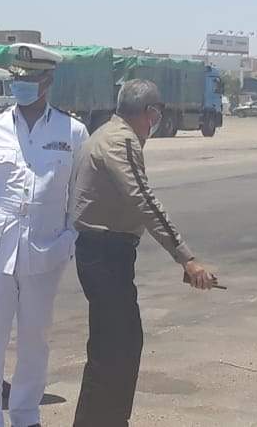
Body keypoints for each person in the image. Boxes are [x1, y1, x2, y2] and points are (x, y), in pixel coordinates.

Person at [69, 79, 218, 427]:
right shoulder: (121, 141)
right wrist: (186, 258)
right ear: (150, 113)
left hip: (101, 252)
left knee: (111, 348)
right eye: (156, 115)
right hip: (106, 255)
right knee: (118, 348)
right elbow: (144, 200)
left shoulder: (106, 134)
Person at [0, 43, 89, 427]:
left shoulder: (72, 131)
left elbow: (79, 195)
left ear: (48, 80)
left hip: (45, 250)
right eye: (18, 78)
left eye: (31, 78)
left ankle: (27, 415)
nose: (22, 85)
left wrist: (69, 240)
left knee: (35, 340)